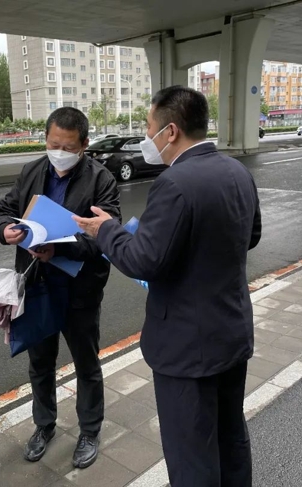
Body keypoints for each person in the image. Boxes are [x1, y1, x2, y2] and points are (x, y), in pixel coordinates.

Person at [74, 86, 262, 487]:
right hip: (231, 333)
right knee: (230, 436)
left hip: (187, 347)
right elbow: (251, 235)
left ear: (171, 131)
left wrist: (105, 230)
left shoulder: (174, 183)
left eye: (149, 127)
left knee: (192, 453)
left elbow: (142, 260)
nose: (147, 136)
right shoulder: (237, 172)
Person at [0, 107, 121, 469]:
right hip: (37, 285)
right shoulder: (32, 171)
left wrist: (60, 249)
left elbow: (106, 236)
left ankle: (89, 431)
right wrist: (5, 229)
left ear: (84, 144)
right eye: (53, 144)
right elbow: (5, 210)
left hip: (79, 289)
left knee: (86, 364)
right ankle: (44, 425)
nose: (59, 152)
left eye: (68, 147)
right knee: (40, 364)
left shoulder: (100, 180)